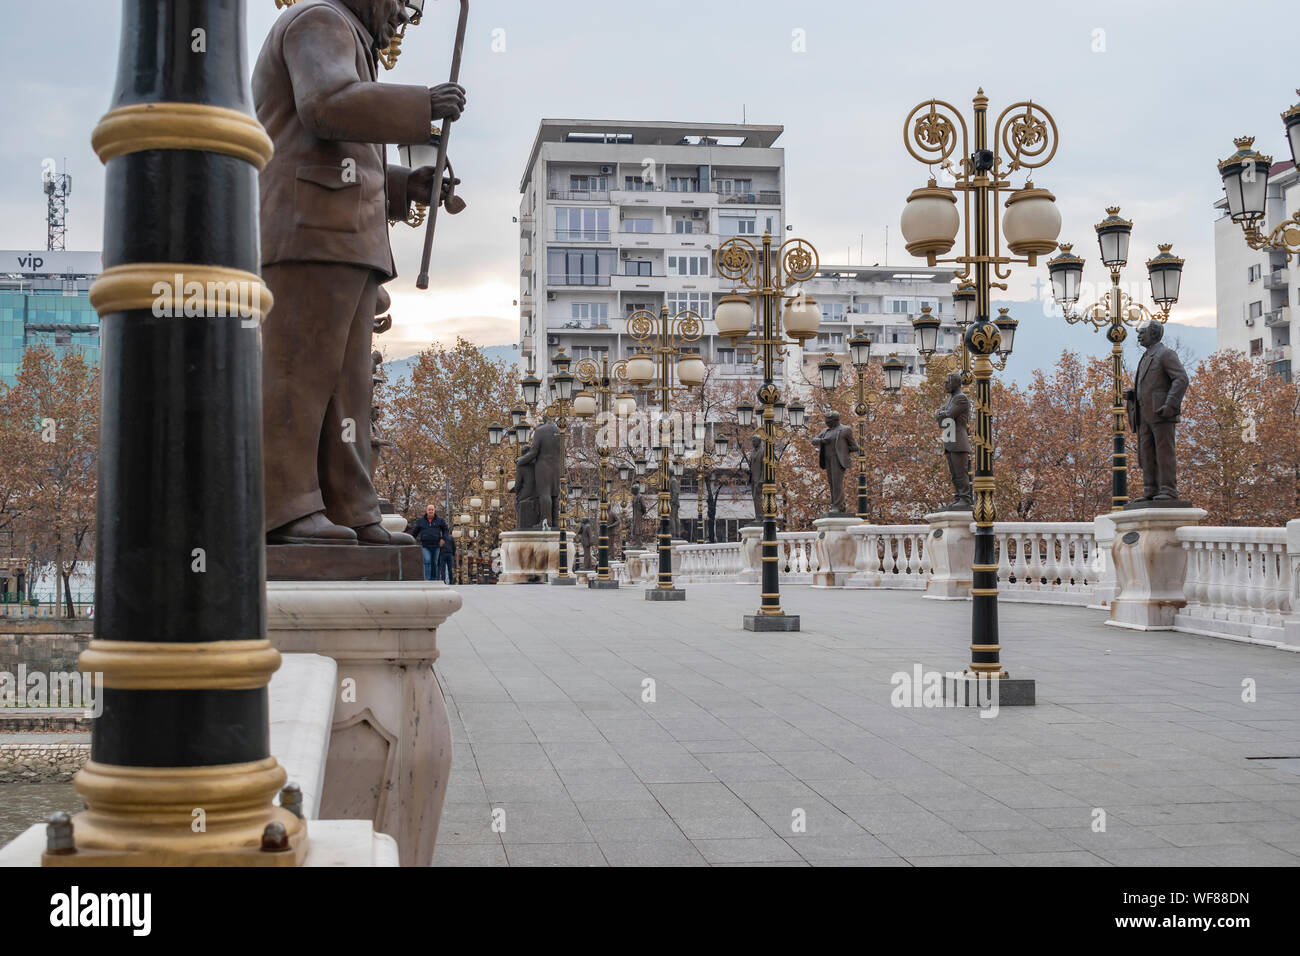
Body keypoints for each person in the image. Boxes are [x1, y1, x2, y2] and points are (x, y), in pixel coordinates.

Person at [254, 0, 466, 546]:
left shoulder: (348, 33)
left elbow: (348, 155)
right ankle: (282, 509)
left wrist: (404, 185)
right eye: (398, 1)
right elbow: (325, 106)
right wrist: (423, 104)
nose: (403, 15)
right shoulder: (318, 20)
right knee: (298, 378)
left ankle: (350, 508)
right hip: (310, 233)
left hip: (341, 237)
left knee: (346, 390)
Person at [1125, 321, 1189, 502]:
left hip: (1161, 413)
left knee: (1164, 452)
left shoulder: (1166, 354)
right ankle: (1150, 490)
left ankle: (1168, 490)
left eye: (1142, 332)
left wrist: (1170, 404)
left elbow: (1181, 379)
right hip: (1144, 414)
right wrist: (1132, 394)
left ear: (1153, 334)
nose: (1138, 335)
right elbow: (1150, 385)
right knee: (1147, 453)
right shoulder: (1146, 356)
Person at [935, 371, 972, 510]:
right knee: (954, 474)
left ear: (956, 383)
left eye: (947, 381)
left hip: (958, 441)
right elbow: (941, 417)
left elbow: (948, 415)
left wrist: (941, 413)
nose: (945, 384)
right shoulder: (951, 399)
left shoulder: (960, 398)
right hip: (950, 440)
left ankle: (964, 498)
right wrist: (941, 414)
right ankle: (959, 497)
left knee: (961, 472)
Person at [811, 410, 859, 515]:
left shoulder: (845, 430)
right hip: (827, 459)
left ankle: (837, 506)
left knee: (837, 483)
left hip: (838, 459)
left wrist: (843, 450)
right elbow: (814, 441)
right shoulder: (825, 431)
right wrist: (822, 441)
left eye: (828, 421)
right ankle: (838, 505)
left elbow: (855, 447)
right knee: (832, 483)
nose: (826, 423)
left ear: (835, 420)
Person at [409, 504, 450, 581]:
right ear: (426, 510)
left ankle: (433, 579)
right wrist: (410, 540)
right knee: (427, 560)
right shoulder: (421, 521)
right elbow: (415, 532)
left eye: (432, 509)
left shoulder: (440, 520)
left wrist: (443, 539)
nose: (430, 511)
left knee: (434, 562)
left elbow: (446, 530)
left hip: (436, 545)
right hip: (425, 545)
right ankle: (427, 578)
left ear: (434, 510)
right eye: (429, 509)